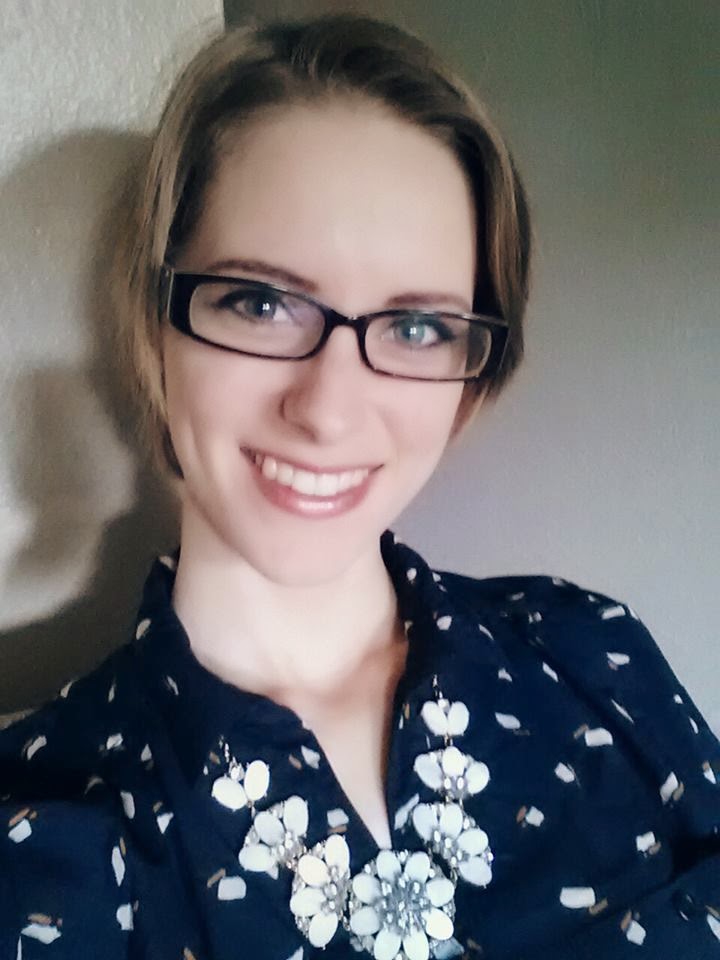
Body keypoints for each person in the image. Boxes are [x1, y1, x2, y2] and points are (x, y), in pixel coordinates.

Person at [1, 14, 718, 960]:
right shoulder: (38, 836)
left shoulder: (596, 657)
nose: (329, 411)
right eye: (261, 302)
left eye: (419, 327)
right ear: (154, 321)